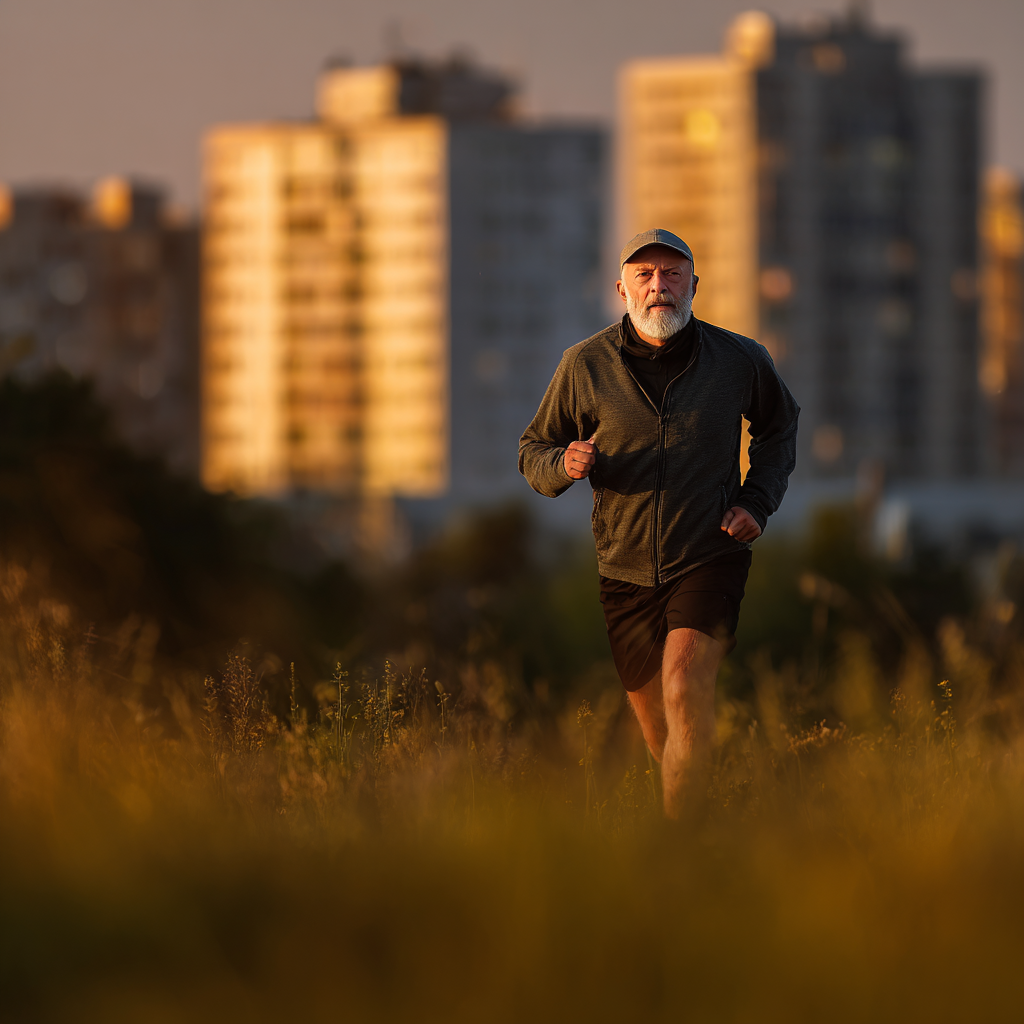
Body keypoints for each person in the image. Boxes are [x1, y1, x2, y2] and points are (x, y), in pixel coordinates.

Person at [519, 228, 799, 818]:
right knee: (659, 733)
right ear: (622, 289)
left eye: (672, 274)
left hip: (709, 552)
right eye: (645, 276)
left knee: (684, 686)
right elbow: (533, 449)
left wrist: (756, 502)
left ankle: (684, 855)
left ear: (694, 285)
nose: (659, 287)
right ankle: (703, 814)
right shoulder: (584, 364)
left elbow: (779, 429)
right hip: (622, 569)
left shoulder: (739, 358)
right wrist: (562, 464)